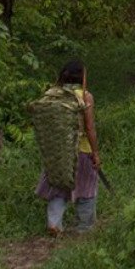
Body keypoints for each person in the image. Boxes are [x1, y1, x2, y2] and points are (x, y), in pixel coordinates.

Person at [34, 59, 100, 235]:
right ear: (82, 76)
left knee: (58, 187)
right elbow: (89, 127)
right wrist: (96, 152)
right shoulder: (85, 96)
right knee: (86, 187)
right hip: (82, 150)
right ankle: (84, 228)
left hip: (58, 151)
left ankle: (54, 224)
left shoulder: (52, 93)